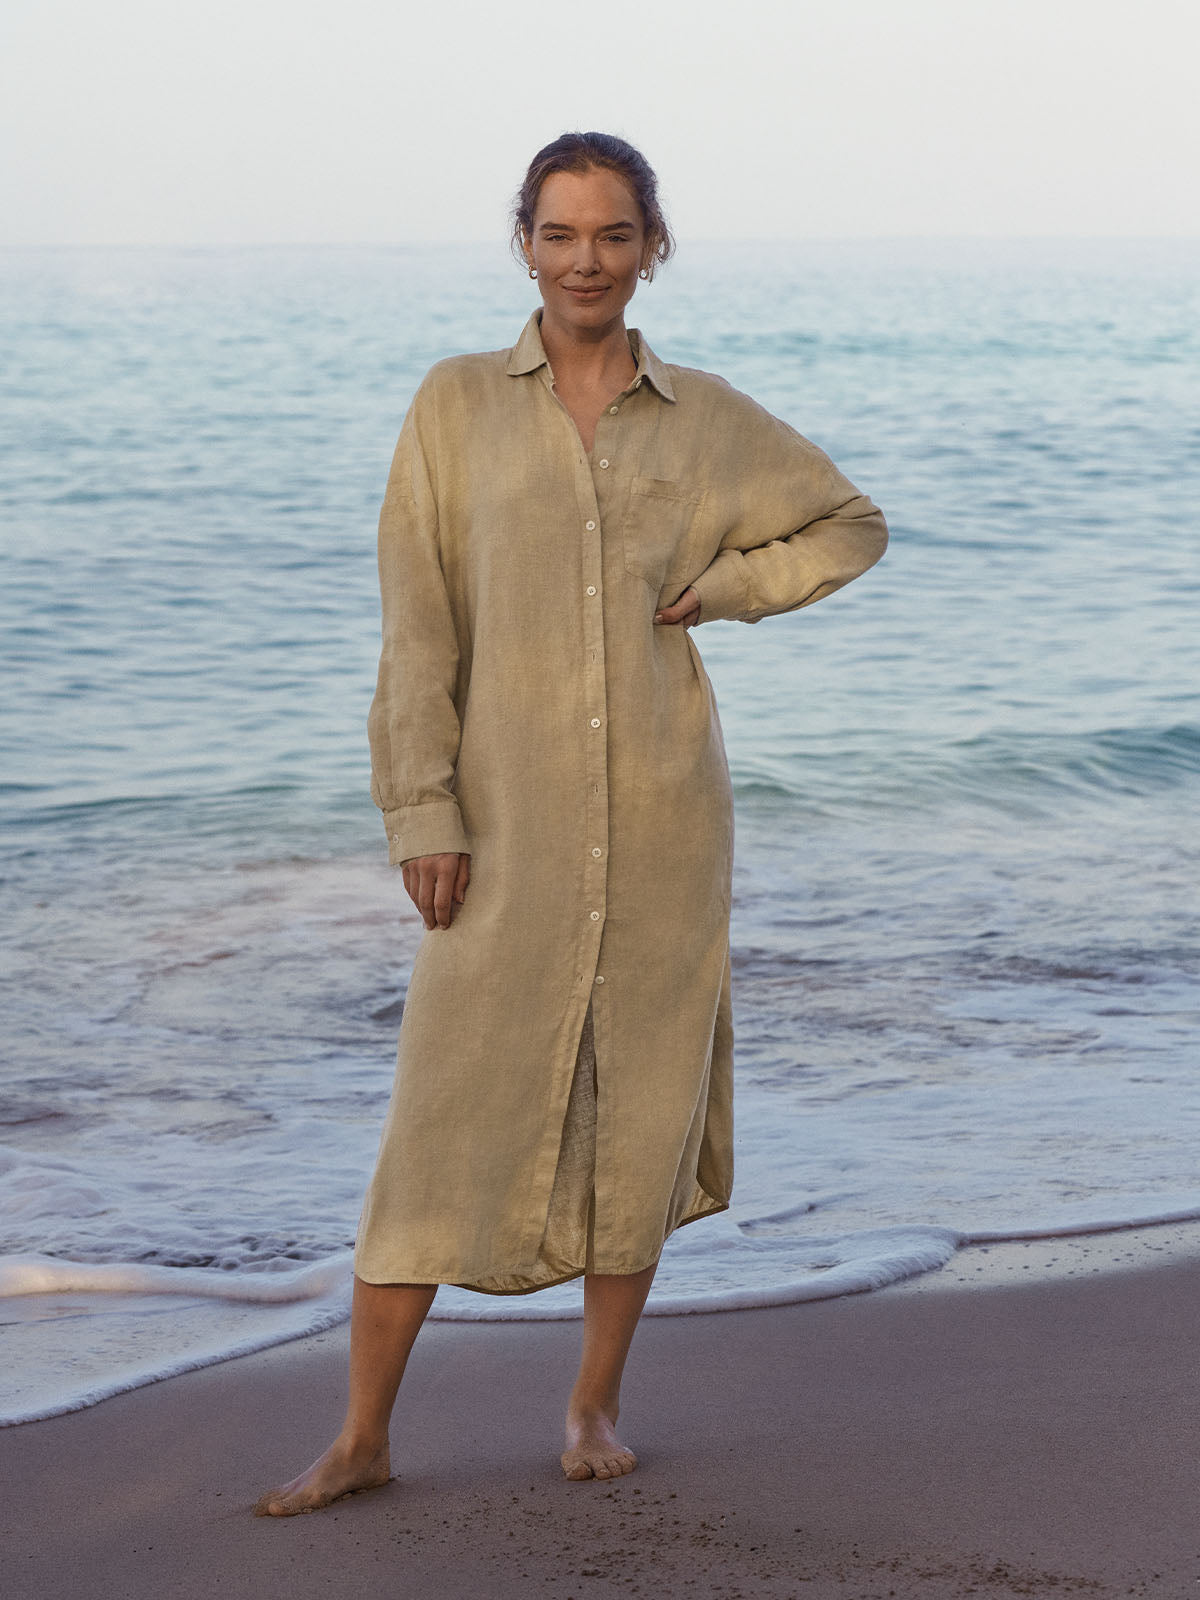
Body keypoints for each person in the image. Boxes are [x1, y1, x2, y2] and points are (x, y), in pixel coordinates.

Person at [255, 131, 887, 1517]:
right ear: (525, 244)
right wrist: (423, 805)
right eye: (559, 234)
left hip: (665, 827)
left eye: (612, 234)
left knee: (639, 1118)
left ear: (649, 245)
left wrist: (723, 587)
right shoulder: (456, 407)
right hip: (503, 836)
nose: (585, 260)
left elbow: (848, 525)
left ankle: (594, 1399)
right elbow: (419, 626)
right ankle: (362, 1434)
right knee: (439, 1119)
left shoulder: (707, 421)